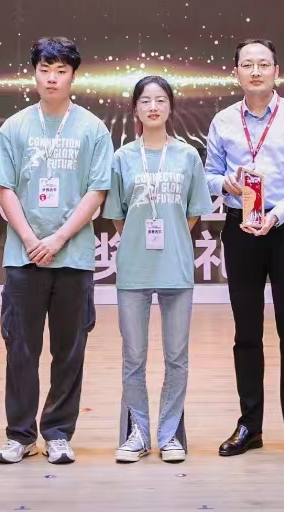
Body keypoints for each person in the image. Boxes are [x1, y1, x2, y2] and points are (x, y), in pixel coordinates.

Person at [0, 36, 113, 467]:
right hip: (23, 258)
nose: (52, 78)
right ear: (34, 73)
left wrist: (59, 238)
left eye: (61, 71)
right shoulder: (14, 127)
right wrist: (29, 239)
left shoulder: (92, 128)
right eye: (45, 70)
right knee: (20, 349)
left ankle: (58, 433)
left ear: (73, 75)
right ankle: (20, 435)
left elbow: (97, 191)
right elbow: (4, 188)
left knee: (69, 351)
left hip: (73, 258)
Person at [204, 38, 284, 461]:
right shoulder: (222, 120)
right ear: (235, 71)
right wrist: (226, 184)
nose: (255, 71)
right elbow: (208, 175)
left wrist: (278, 215)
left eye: (263, 64)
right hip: (240, 228)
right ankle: (249, 424)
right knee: (246, 332)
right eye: (247, 64)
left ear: (277, 71)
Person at [103, 75, 212, 465]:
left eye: (160, 100)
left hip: (176, 269)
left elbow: (193, 213)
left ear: (170, 107)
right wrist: (140, 238)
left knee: (176, 356)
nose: (153, 107)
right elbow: (117, 216)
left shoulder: (187, 156)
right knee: (133, 357)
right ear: (135, 108)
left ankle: (169, 435)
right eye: (146, 100)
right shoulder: (122, 158)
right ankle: (137, 434)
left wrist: (171, 239)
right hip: (134, 270)